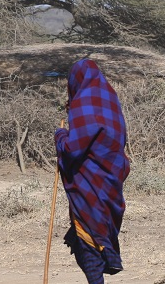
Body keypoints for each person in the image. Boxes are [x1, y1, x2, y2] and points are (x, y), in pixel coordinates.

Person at [54, 58, 130, 283]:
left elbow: (73, 150)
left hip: (89, 184)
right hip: (110, 180)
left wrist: (60, 135)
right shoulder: (110, 100)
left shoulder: (83, 105)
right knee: (87, 238)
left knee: (86, 241)